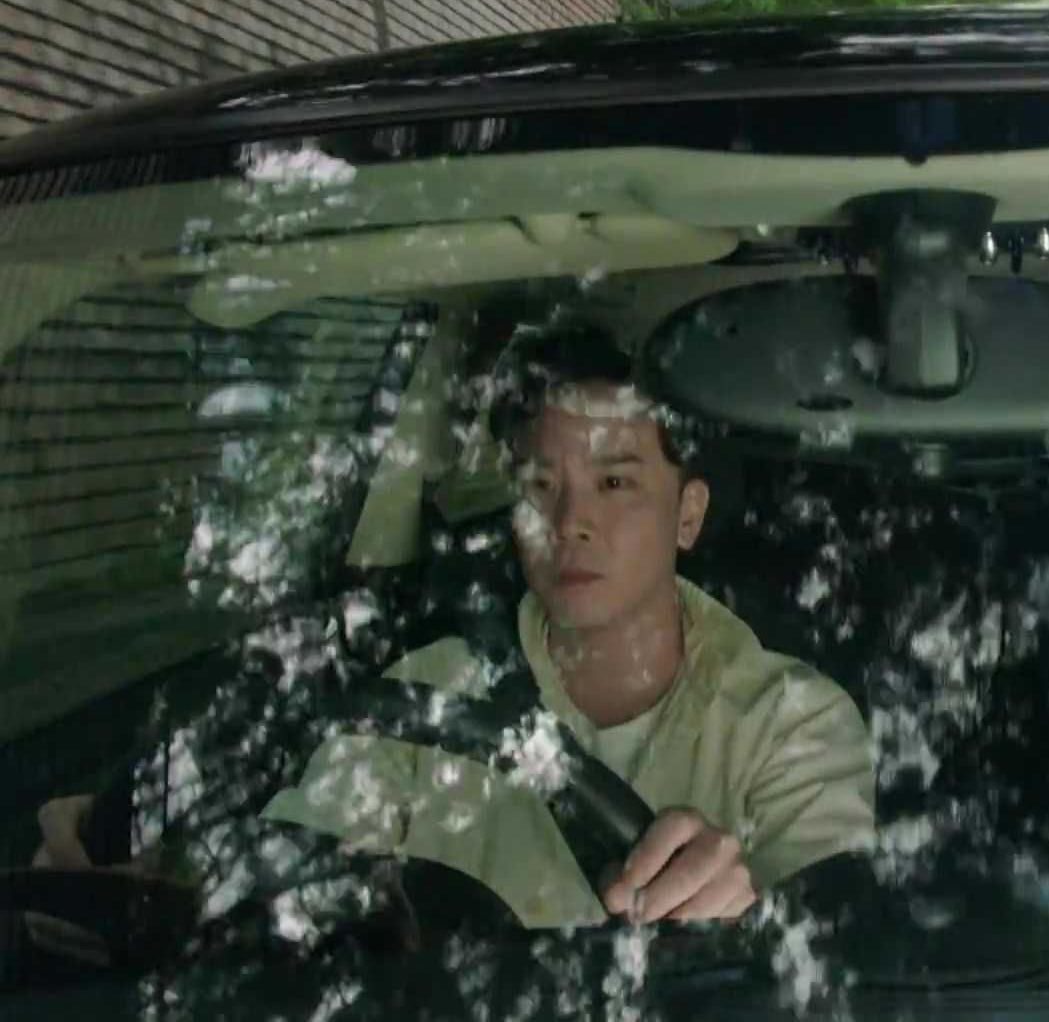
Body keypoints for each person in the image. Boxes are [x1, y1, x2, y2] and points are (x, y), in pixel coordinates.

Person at [34, 321, 876, 933]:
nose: (570, 522)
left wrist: (744, 914)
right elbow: (301, 868)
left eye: (615, 485)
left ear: (687, 515)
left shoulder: (793, 724)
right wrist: (161, 888)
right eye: (541, 486)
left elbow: (842, 963)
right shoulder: (425, 695)